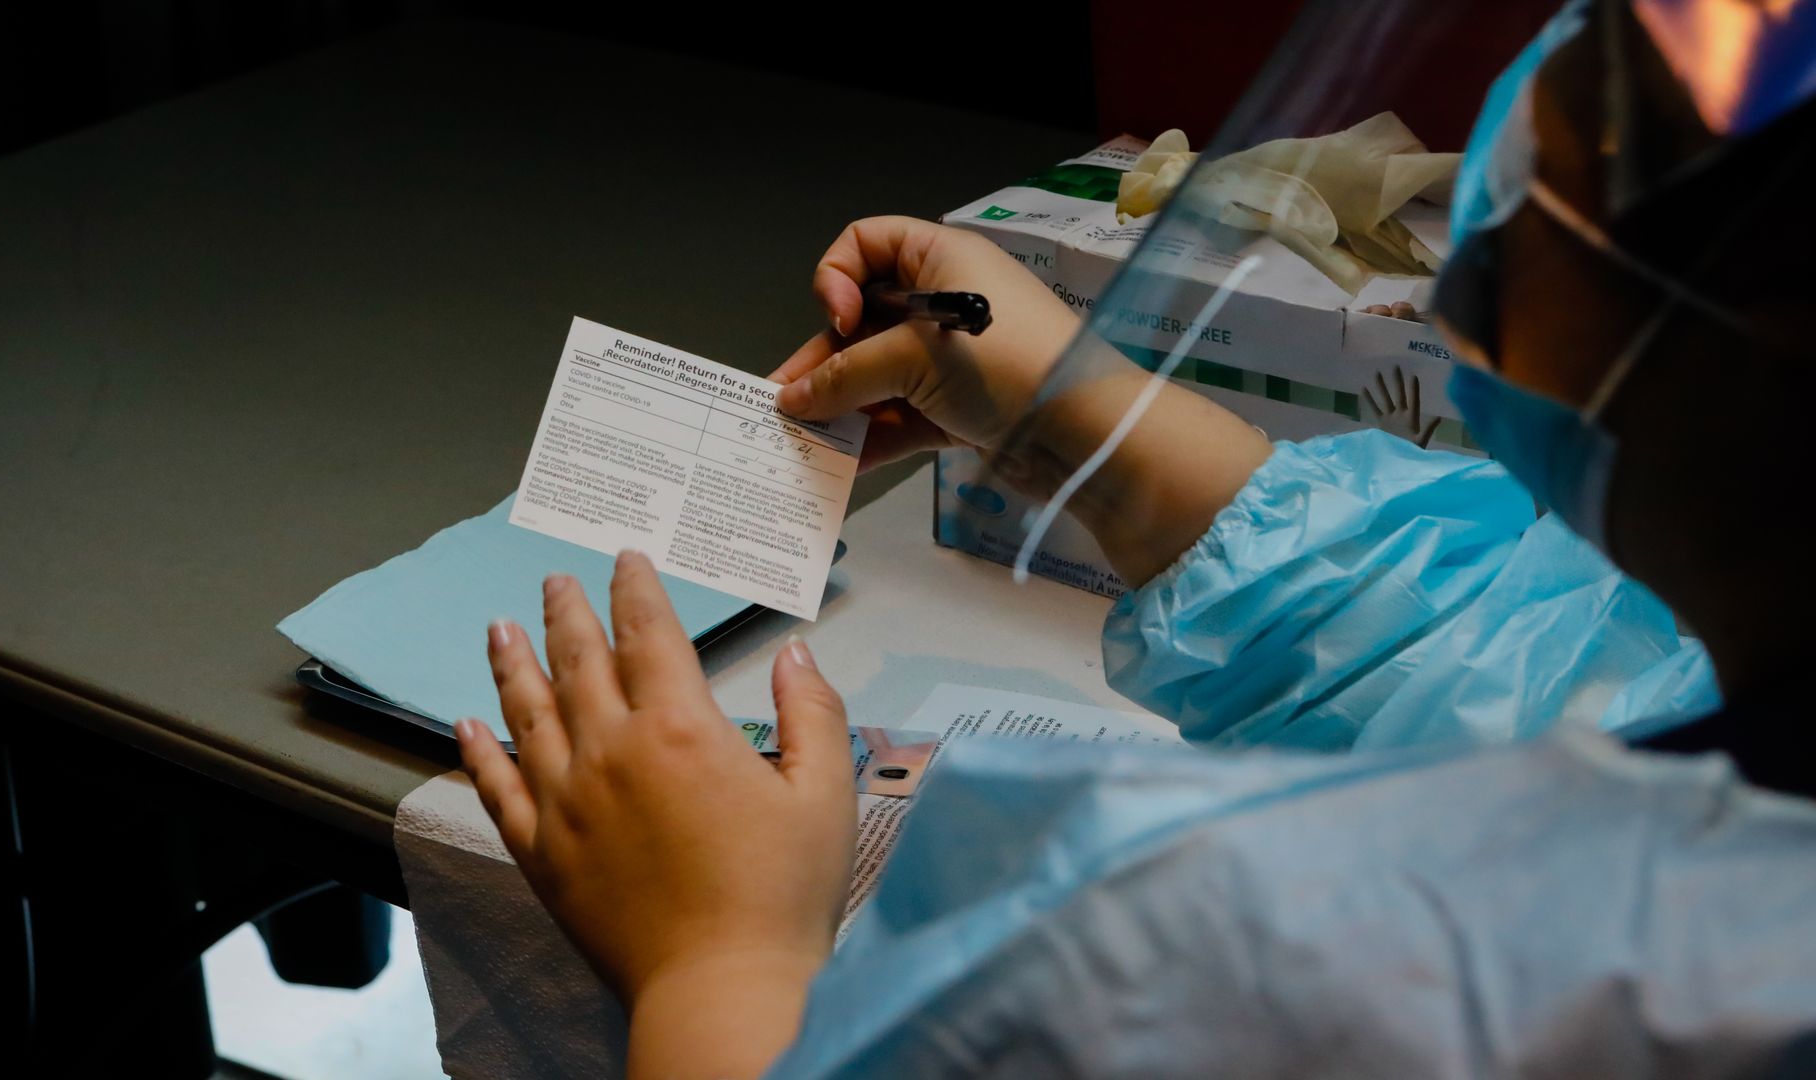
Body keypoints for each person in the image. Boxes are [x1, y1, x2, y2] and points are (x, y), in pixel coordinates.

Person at [455, 1, 1816, 1074]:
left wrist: (717, 963)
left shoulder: (1366, 978)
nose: (1466, 295)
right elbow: (1549, 679)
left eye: (1547, 234)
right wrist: (1068, 413)